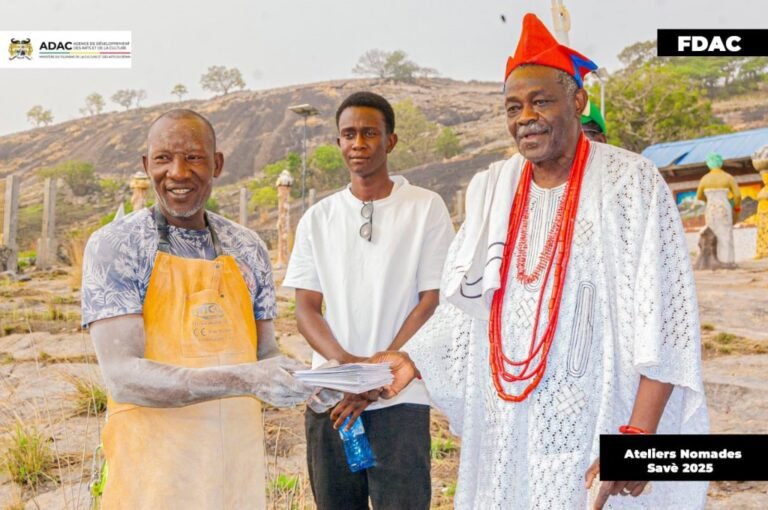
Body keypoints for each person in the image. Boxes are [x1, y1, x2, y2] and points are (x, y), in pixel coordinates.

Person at [371, 14, 709, 509]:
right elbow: (465, 309)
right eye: (512, 106)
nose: (524, 116)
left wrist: (638, 434)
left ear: (578, 101)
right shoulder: (493, 190)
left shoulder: (629, 183)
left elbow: (666, 321)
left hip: (600, 419)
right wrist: (412, 360)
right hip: (507, 428)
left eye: (540, 101)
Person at [81, 109, 322, 509]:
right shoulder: (116, 245)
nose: (177, 172)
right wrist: (247, 379)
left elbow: (264, 355)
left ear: (217, 164)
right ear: (146, 165)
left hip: (234, 468)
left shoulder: (246, 247)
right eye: (162, 158)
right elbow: (123, 376)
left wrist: (314, 379)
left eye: (193, 157)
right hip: (153, 472)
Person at [283, 91, 455, 510]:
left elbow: (432, 299)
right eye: (348, 134)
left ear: (390, 141)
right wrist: (346, 370)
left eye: (369, 133)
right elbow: (306, 307)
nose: (358, 143)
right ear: (338, 143)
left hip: (400, 396)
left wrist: (378, 374)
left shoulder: (425, 208)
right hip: (332, 399)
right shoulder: (318, 218)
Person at [696, 152, 742, 265]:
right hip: (724, 208)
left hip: (711, 209)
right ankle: (728, 261)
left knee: (712, 233)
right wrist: (736, 208)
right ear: (721, 163)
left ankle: (713, 261)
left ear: (708, 164)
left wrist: (708, 200)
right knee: (726, 234)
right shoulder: (728, 177)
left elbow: (699, 196)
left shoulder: (704, 179)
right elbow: (737, 195)